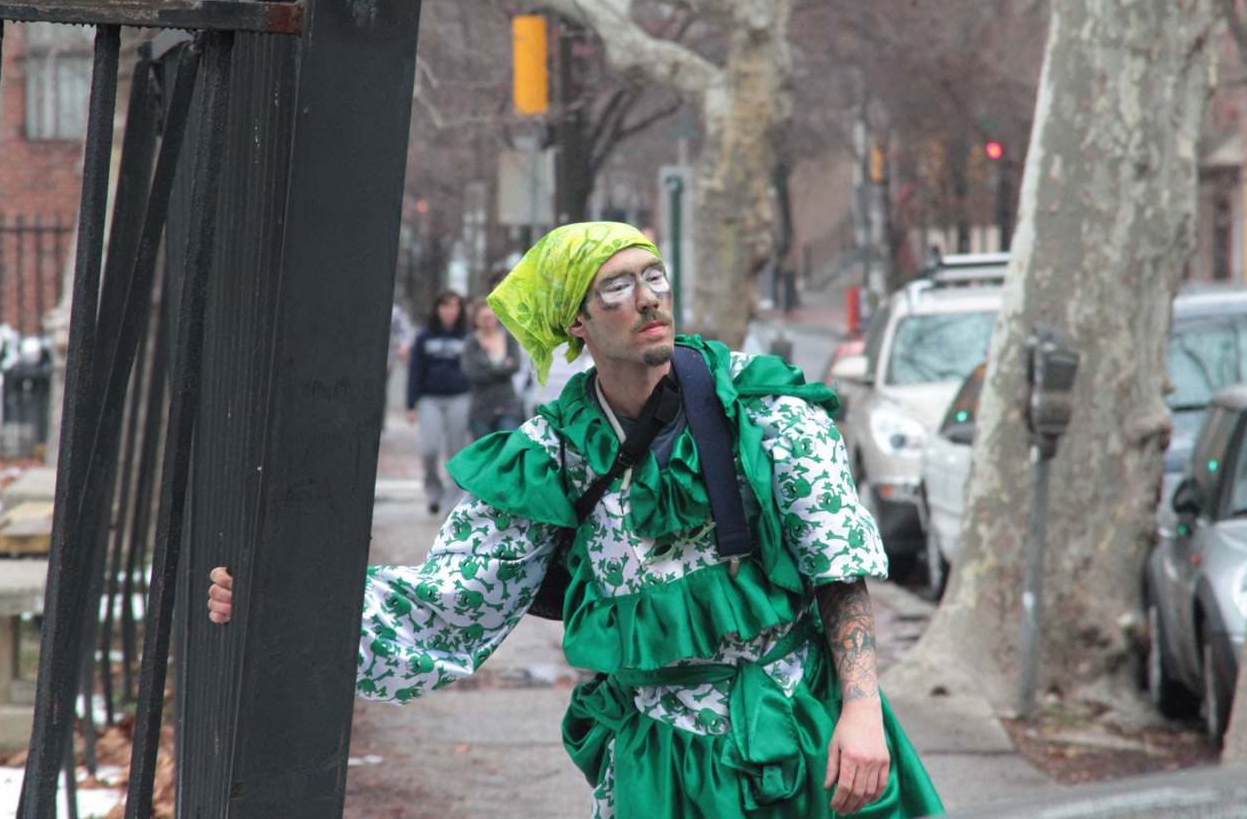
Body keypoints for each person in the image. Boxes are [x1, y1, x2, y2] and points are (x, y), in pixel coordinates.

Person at [210, 222, 942, 818]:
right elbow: (450, 606)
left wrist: (862, 708)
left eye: (655, 276)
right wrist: (284, 604)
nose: (650, 299)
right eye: (617, 288)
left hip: (804, 734)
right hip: (659, 765)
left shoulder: (764, 411)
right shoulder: (548, 460)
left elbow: (837, 571)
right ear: (577, 323)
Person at [405, 289, 471, 515]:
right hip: (429, 398)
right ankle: (433, 491)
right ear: (437, 309)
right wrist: (410, 403)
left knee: (456, 449)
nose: (450, 311)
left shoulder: (467, 335)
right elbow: (415, 370)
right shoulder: (425, 335)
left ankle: (452, 500)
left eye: (455, 306)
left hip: (459, 397)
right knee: (429, 449)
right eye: (445, 305)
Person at [461, 299, 526, 439]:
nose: (488, 323)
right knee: (485, 453)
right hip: (481, 407)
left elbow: (516, 365)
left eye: (490, 318)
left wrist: (487, 369)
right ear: (476, 320)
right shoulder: (471, 342)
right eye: (483, 319)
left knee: (506, 447)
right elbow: (471, 373)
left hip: (508, 405)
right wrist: (502, 369)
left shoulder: (508, 337)